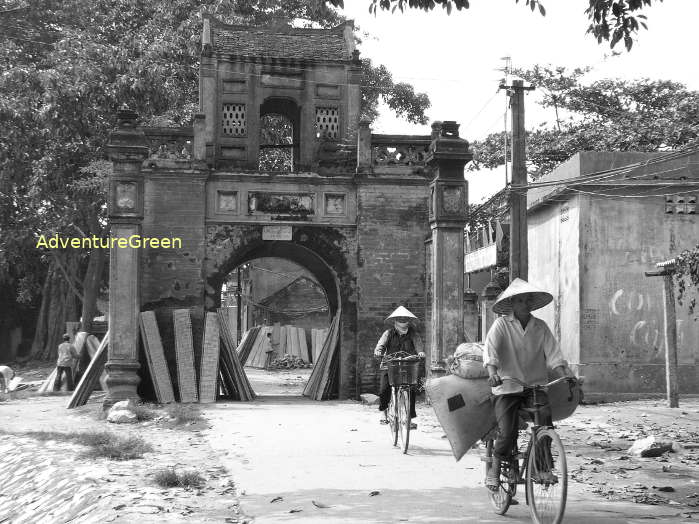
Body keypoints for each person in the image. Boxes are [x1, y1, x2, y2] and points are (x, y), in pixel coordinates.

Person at [483, 278, 572, 490]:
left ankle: (541, 467)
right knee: (508, 432)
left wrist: (565, 375)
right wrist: (493, 373)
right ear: (512, 304)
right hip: (506, 387)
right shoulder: (501, 325)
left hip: (535, 386)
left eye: (527, 300)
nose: (525, 304)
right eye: (520, 300)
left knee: (546, 425)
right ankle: (494, 470)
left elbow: (554, 355)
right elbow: (490, 351)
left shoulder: (540, 327)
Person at [373, 306, 425, 428]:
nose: (403, 321)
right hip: (390, 365)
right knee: (384, 390)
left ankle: (409, 419)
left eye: (405, 319)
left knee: (411, 390)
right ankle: (384, 413)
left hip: (407, 365)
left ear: (409, 320)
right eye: (400, 319)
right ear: (395, 320)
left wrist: (420, 352)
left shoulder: (413, 334)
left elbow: (418, 344)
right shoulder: (389, 333)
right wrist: (378, 351)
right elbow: (381, 345)